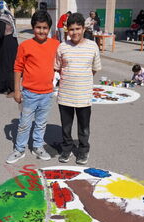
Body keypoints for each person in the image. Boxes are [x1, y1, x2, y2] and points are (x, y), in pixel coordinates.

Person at [5, 11, 60, 164]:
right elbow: (17, 68)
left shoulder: (55, 45)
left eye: (44, 27)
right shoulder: (25, 46)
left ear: (49, 28)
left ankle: (37, 146)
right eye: (38, 27)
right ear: (33, 28)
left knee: (41, 122)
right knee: (24, 123)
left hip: (47, 93)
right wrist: (17, 90)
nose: (41, 31)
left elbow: (62, 63)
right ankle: (19, 149)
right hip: (29, 94)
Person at [55, 13, 101, 165]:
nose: (75, 32)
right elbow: (57, 68)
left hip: (84, 96)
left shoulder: (92, 46)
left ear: (83, 28)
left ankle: (83, 151)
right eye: (71, 29)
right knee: (66, 127)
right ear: (67, 30)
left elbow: (94, 69)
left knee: (84, 128)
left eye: (78, 29)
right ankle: (67, 149)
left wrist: (82, 79)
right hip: (65, 96)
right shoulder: (62, 47)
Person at [0, 1, 18, 96]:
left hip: (6, 44)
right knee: (12, 66)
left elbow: (1, 33)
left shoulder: (3, 18)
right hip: (13, 43)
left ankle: (9, 89)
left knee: (6, 66)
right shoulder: (10, 16)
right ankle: (12, 88)